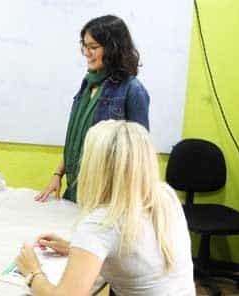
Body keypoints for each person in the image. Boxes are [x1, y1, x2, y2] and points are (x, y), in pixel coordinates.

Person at [16, 120, 195, 295]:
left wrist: (33, 272)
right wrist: (75, 248)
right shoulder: (164, 194)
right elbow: (135, 255)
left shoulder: (101, 224)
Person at [35, 15, 150, 203]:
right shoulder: (88, 83)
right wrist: (58, 174)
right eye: (84, 46)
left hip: (106, 196)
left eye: (93, 47)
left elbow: (139, 155)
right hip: (75, 190)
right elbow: (78, 139)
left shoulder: (133, 90)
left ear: (113, 49)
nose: (86, 53)